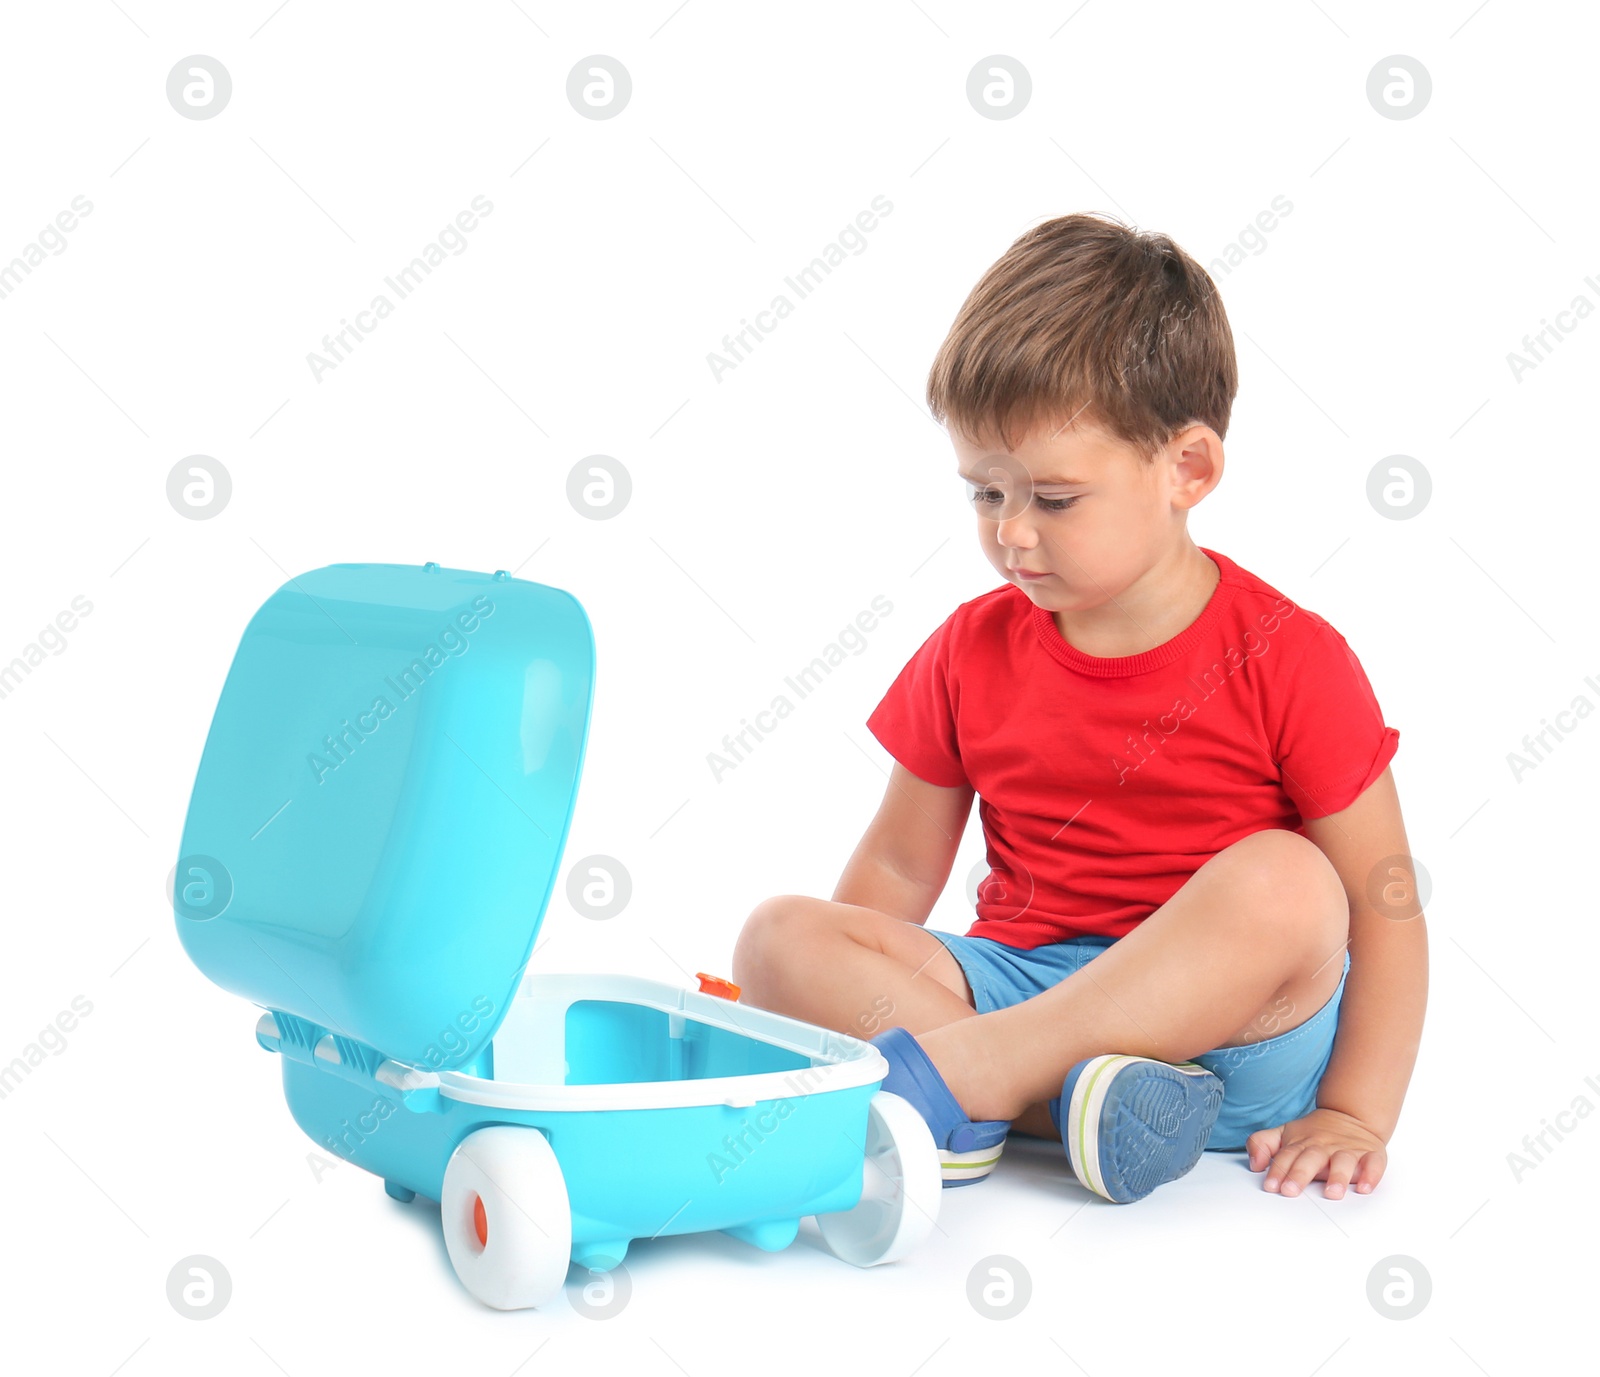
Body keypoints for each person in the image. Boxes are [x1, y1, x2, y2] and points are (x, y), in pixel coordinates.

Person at [730, 212, 1424, 1204]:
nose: (1011, 533)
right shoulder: (970, 648)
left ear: (1186, 470)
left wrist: (1356, 1110)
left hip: (1235, 1037)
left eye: (1053, 500)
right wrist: (821, 1009)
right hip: (1025, 982)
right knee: (777, 938)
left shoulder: (1291, 656)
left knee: (1290, 882)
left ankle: (965, 1087)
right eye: (983, 493)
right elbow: (892, 866)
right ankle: (1064, 1102)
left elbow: (1384, 906)